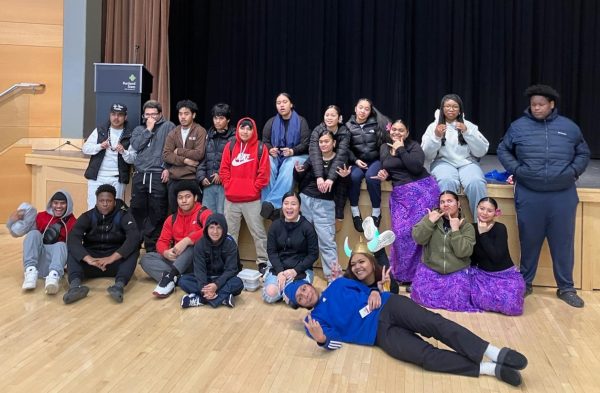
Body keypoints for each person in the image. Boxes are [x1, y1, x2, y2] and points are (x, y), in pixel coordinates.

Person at [285, 277, 528, 387]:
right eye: (300, 296)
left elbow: (366, 287)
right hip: (378, 336)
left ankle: (494, 352)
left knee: (435, 324)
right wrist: (322, 340)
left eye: (304, 289)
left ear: (309, 284)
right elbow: (335, 342)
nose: (305, 294)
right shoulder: (312, 322)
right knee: (424, 357)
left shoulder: (337, 284)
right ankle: (488, 369)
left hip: (389, 306)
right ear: (300, 304)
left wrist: (374, 291)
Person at [497, 84, 590, 308]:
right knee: (529, 240)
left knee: (563, 242)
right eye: (533, 105)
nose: (536, 108)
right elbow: (503, 149)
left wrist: (573, 171)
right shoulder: (518, 127)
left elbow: (583, 151)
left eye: (540, 104)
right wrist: (517, 170)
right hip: (530, 193)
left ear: (551, 105)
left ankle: (566, 287)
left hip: (562, 194)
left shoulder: (569, 127)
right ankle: (525, 284)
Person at [372, 119, 440, 287]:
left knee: (418, 234)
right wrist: (384, 175)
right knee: (401, 234)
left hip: (422, 190)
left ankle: (417, 277)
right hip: (401, 194)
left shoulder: (414, 147)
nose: (396, 132)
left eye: (401, 130)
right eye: (394, 129)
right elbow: (389, 169)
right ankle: (403, 274)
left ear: (407, 133)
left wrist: (400, 149)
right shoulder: (384, 148)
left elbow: (416, 168)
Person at [64, 184, 140, 304]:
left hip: (115, 262)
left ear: (114, 201)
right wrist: (87, 258)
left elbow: (134, 237)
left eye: (108, 200)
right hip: (92, 261)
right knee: (72, 249)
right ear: (97, 201)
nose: (105, 204)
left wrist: (112, 257)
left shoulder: (124, 215)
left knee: (134, 249)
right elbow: (73, 238)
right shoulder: (87, 216)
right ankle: (74, 287)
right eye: (102, 201)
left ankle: (118, 286)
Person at [139, 180, 212, 298]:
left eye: (187, 197)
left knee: (194, 246)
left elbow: (211, 231)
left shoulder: (204, 213)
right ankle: (178, 279)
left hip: (199, 261)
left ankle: (170, 278)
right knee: (146, 259)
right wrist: (166, 252)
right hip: (178, 261)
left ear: (195, 197)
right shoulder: (172, 219)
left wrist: (187, 240)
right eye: (180, 197)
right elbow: (162, 242)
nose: (183, 200)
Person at [421, 94, 489, 217]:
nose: (451, 109)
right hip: (443, 162)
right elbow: (426, 154)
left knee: (476, 182)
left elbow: (481, 151)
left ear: (460, 110)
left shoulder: (468, 125)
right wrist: (436, 136)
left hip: (467, 162)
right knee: (447, 180)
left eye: (454, 107)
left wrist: (467, 132)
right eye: (447, 106)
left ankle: (481, 223)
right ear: (442, 109)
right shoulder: (434, 126)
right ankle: (448, 224)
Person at [295, 129, 348, 281]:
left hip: (325, 205)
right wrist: (297, 171)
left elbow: (343, 189)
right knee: (302, 240)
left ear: (334, 143)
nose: (323, 144)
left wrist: (345, 178)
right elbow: (300, 178)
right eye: (321, 142)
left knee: (327, 242)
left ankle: (333, 279)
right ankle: (301, 273)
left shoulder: (339, 160)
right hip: (305, 201)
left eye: (326, 141)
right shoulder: (313, 158)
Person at [411, 190, 477, 312]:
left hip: (456, 271)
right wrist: (429, 222)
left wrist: (456, 230)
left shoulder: (467, 226)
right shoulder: (431, 218)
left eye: (449, 201)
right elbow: (418, 239)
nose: (445, 204)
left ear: (458, 204)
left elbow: (463, 252)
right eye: (442, 202)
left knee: (458, 302)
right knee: (422, 298)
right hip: (432, 269)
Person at [219, 117, 270, 273]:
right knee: (229, 234)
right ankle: (231, 263)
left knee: (259, 233)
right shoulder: (230, 146)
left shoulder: (261, 148)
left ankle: (263, 263)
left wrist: (254, 189)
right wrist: (228, 186)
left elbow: (264, 173)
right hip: (231, 199)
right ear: (238, 130)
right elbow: (224, 169)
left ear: (253, 130)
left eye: (248, 128)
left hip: (252, 200)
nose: (245, 131)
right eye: (242, 128)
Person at [125, 100, 176, 252]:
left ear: (160, 114)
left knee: (157, 211)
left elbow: (173, 149)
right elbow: (135, 146)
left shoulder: (169, 126)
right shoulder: (139, 129)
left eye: (154, 114)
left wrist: (167, 168)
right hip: (140, 174)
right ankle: (136, 243)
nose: (151, 117)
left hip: (158, 174)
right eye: (147, 114)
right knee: (137, 210)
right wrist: (148, 129)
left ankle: (152, 247)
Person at [7, 190, 76, 294]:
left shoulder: (73, 222)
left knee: (61, 245)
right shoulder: (41, 216)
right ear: (51, 203)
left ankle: (53, 277)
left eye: (62, 203)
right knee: (33, 233)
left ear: (68, 204)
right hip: (38, 260)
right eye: (55, 203)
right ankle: (30, 271)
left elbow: (74, 247)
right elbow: (16, 233)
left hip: (55, 263)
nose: (59, 206)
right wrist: (12, 220)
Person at [470, 197, 525, 315]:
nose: (484, 213)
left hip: (504, 275)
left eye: (489, 211)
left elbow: (496, 257)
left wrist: (483, 234)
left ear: (496, 212)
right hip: (482, 275)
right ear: (477, 208)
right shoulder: (471, 228)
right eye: (482, 208)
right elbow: (473, 257)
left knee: (511, 306)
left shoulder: (500, 228)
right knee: (477, 299)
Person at [260, 93, 310, 220]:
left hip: (297, 155)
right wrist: (271, 150)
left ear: (291, 104)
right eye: (278, 103)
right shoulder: (271, 122)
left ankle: (271, 203)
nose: (281, 105)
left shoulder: (301, 121)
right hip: (278, 156)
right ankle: (270, 206)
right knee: (268, 161)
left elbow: (306, 144)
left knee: (289, 163)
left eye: (284, 102)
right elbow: (264, 141)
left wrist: (293, 151)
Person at [263, 192, 319, 303]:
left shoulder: (307, 227)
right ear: (282, 206)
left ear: (299, 207)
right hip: (279, 269)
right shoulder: (275, 226)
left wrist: (295, 271)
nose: (289, 207)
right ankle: (283, 290)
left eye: (293, 204)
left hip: (300, 270)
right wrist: (280, 272)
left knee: (298, 299)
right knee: (270, 294)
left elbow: (313, 255)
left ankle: (286, 291)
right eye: (286, 203)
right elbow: (272, 251)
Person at [179, 213, 244, 308]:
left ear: (224, 229)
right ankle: (222, 298)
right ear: (206, 229)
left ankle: (201, 299)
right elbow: (199, 270)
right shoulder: (200, 244)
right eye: (211, 227)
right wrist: (204, 287)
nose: (215, 231)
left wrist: (216, 285)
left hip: (223, 279)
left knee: (238, 283)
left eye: (219, 228)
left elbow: (231, 270)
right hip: (206, 279)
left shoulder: (230, 243)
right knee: (183, 280)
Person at [346, 98, 389, 231]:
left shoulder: (376, 125)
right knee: (354, 177)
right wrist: (355, 160)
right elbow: (345, 148)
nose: (363, 111)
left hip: (374, 161)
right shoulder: (348, 126)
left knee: (371, 177)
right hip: (357, 162)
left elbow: (384, 144)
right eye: (360, 107)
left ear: (370, 111)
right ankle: (355, 213)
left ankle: (376, 213)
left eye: (366, 109)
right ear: (355, 108)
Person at [82, 103, 134, 209]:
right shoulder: (100, 130)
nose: (116, 118)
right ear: (110, 115)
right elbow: (85, 149)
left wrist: (123, 152)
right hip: (97, 177)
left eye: (120, 115)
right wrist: (100, 146)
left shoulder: (131, 134)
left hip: (117, 178)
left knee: (114, 209)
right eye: (113, 114)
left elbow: (132, 159)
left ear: (125, 117)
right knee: (92, 207)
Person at [307, 105, 351, 221]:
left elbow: (341, 155)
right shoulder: (318, 130)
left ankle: (339, 212)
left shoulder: (344, 132)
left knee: (342, 175)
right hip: (322, 160)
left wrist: (331, 178)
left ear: (339, 118)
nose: (329, 118)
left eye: (333, 115)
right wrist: (319, 177)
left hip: (337, 161)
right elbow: (315, 153)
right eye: (327, 115)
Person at [162, 99, 207, 213]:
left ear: (194, 115)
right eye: (180, 114)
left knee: (193, 213)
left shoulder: (200, 131)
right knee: (174, 213)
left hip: (191, 178)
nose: (183, 117)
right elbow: (166, 155)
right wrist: (185, 160)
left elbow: (199, 154)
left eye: (186, 114)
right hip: (174, 179)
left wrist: (179, 151)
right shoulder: (173, 132)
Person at [197, 103, 236, 214]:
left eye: (221, 118)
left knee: (222, 218)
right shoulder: (208, 135)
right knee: (207, 217)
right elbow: (202, 158)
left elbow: (235, 161)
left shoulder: (234, 137)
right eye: (215, 118)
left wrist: (220, 174)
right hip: (208, 183)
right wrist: (201, 177)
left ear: (228, 120)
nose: (217, 121)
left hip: (224, 185)